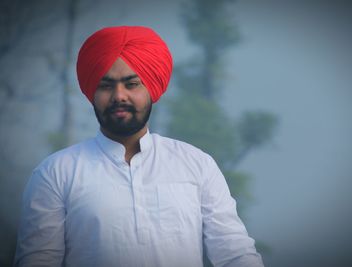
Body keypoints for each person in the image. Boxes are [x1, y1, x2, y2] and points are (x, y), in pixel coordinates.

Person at [14, 26, 264, 267]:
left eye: (131, 84)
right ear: (92, 92)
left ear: (152, 89)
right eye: (106, 85)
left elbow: (235, 253)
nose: (119, 96)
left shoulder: (196, 164)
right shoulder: (57, 172)